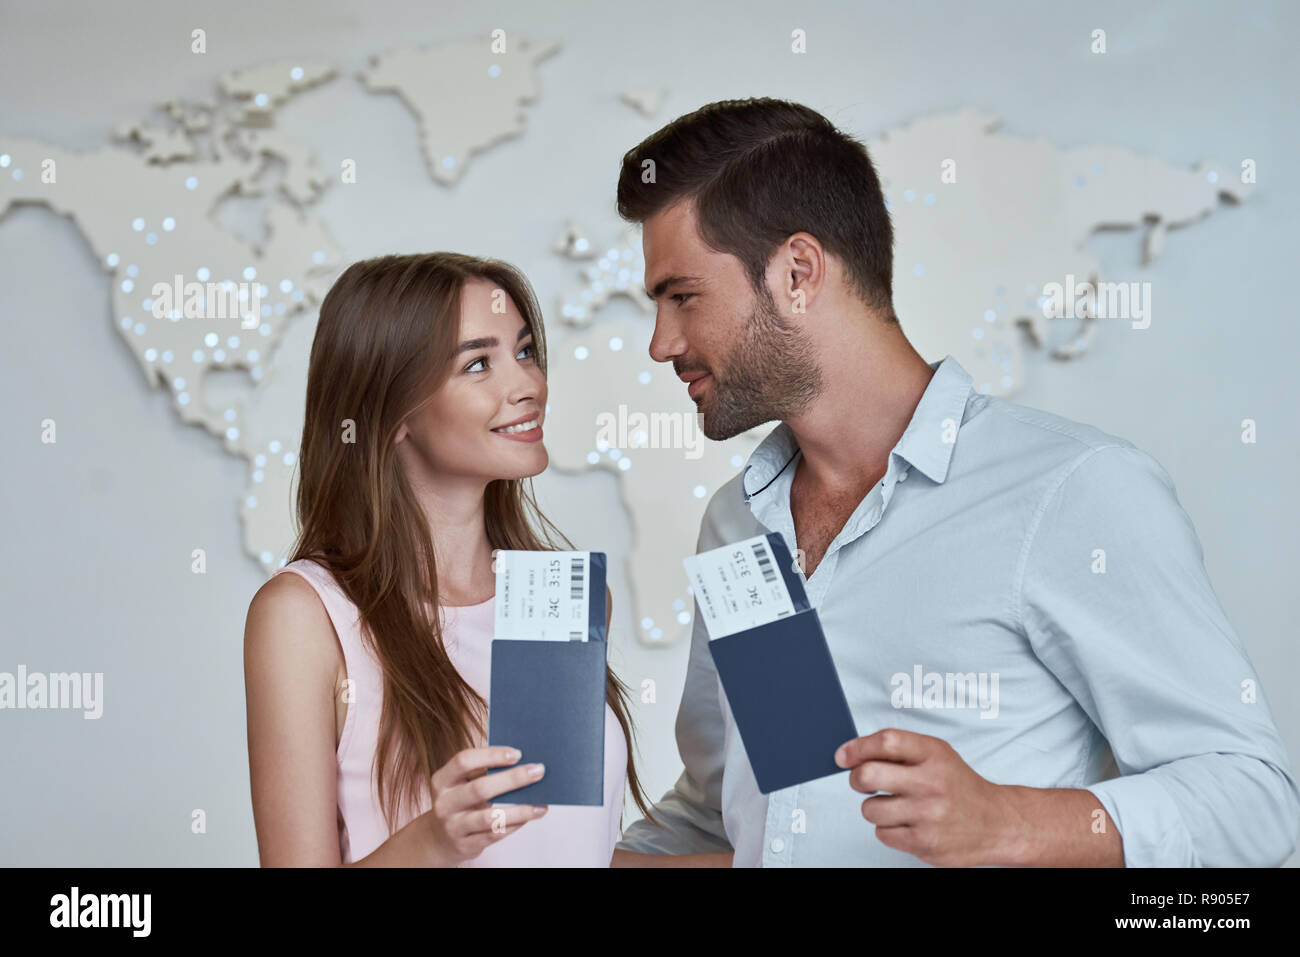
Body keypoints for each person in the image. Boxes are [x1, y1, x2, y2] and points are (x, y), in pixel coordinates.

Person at [610, 98, 1300, 867]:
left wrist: (1010, 821)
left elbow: (1255, 799)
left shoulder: (1071, 491)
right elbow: (737, 816)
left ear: (798, 272)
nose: (660, 342)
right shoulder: (740, 523)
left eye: (682, 296)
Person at [243, 252, 654, 866]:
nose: (527, 385)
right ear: (394, 414)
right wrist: (433, 841)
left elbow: (566, 852)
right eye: (478, 364)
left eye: (524, 352)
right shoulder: (304, 618)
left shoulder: (557, 599)